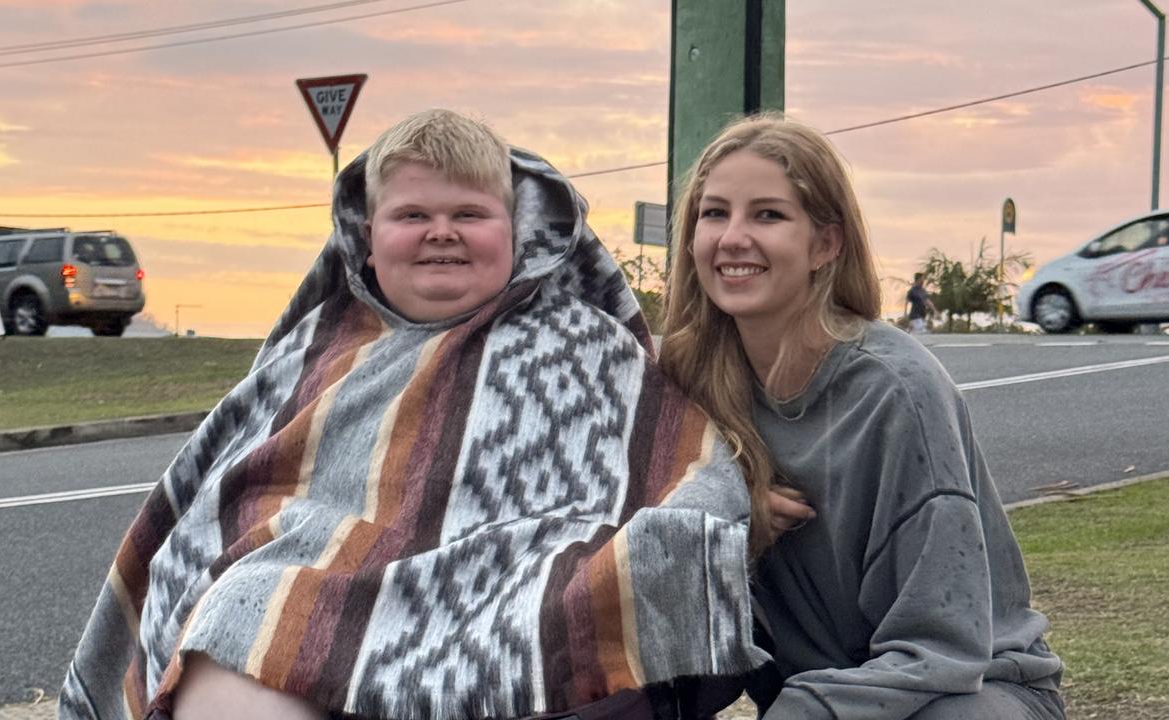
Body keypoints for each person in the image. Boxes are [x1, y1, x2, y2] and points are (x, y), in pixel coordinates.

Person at [59, 109, 766, 720]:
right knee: (234, 615)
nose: (441, 233)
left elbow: (681, 457)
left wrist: (710, 517)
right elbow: (222, 492)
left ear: (514, 231)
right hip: (324, 597)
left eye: (469, 215)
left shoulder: (588, 342)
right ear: (367, 237)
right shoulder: (315, 348)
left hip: (514, 595)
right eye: (412, 216)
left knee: (608, 589)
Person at [659, 114, 1066, 720]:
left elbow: (944, 648)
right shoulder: (683, 377)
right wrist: (726, 516)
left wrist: (805, 709)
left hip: (966, 690)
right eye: (714, 213)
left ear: (826, 244)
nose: (733, 237)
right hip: (826, 693)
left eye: (768, 215)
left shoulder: (897, 389)